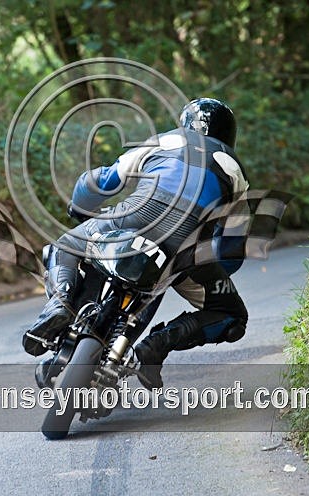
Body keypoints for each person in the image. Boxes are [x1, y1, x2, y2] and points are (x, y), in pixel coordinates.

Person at [23, 98, 250, 390]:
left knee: (67, 244)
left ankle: (61, 304)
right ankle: (153, 349)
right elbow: (232, 250)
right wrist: (208, 268)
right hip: (185, 250)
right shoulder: (236, 171)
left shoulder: (165, 140)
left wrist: (79, 208)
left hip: (135, 217)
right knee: (233, 314)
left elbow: (102, 181)